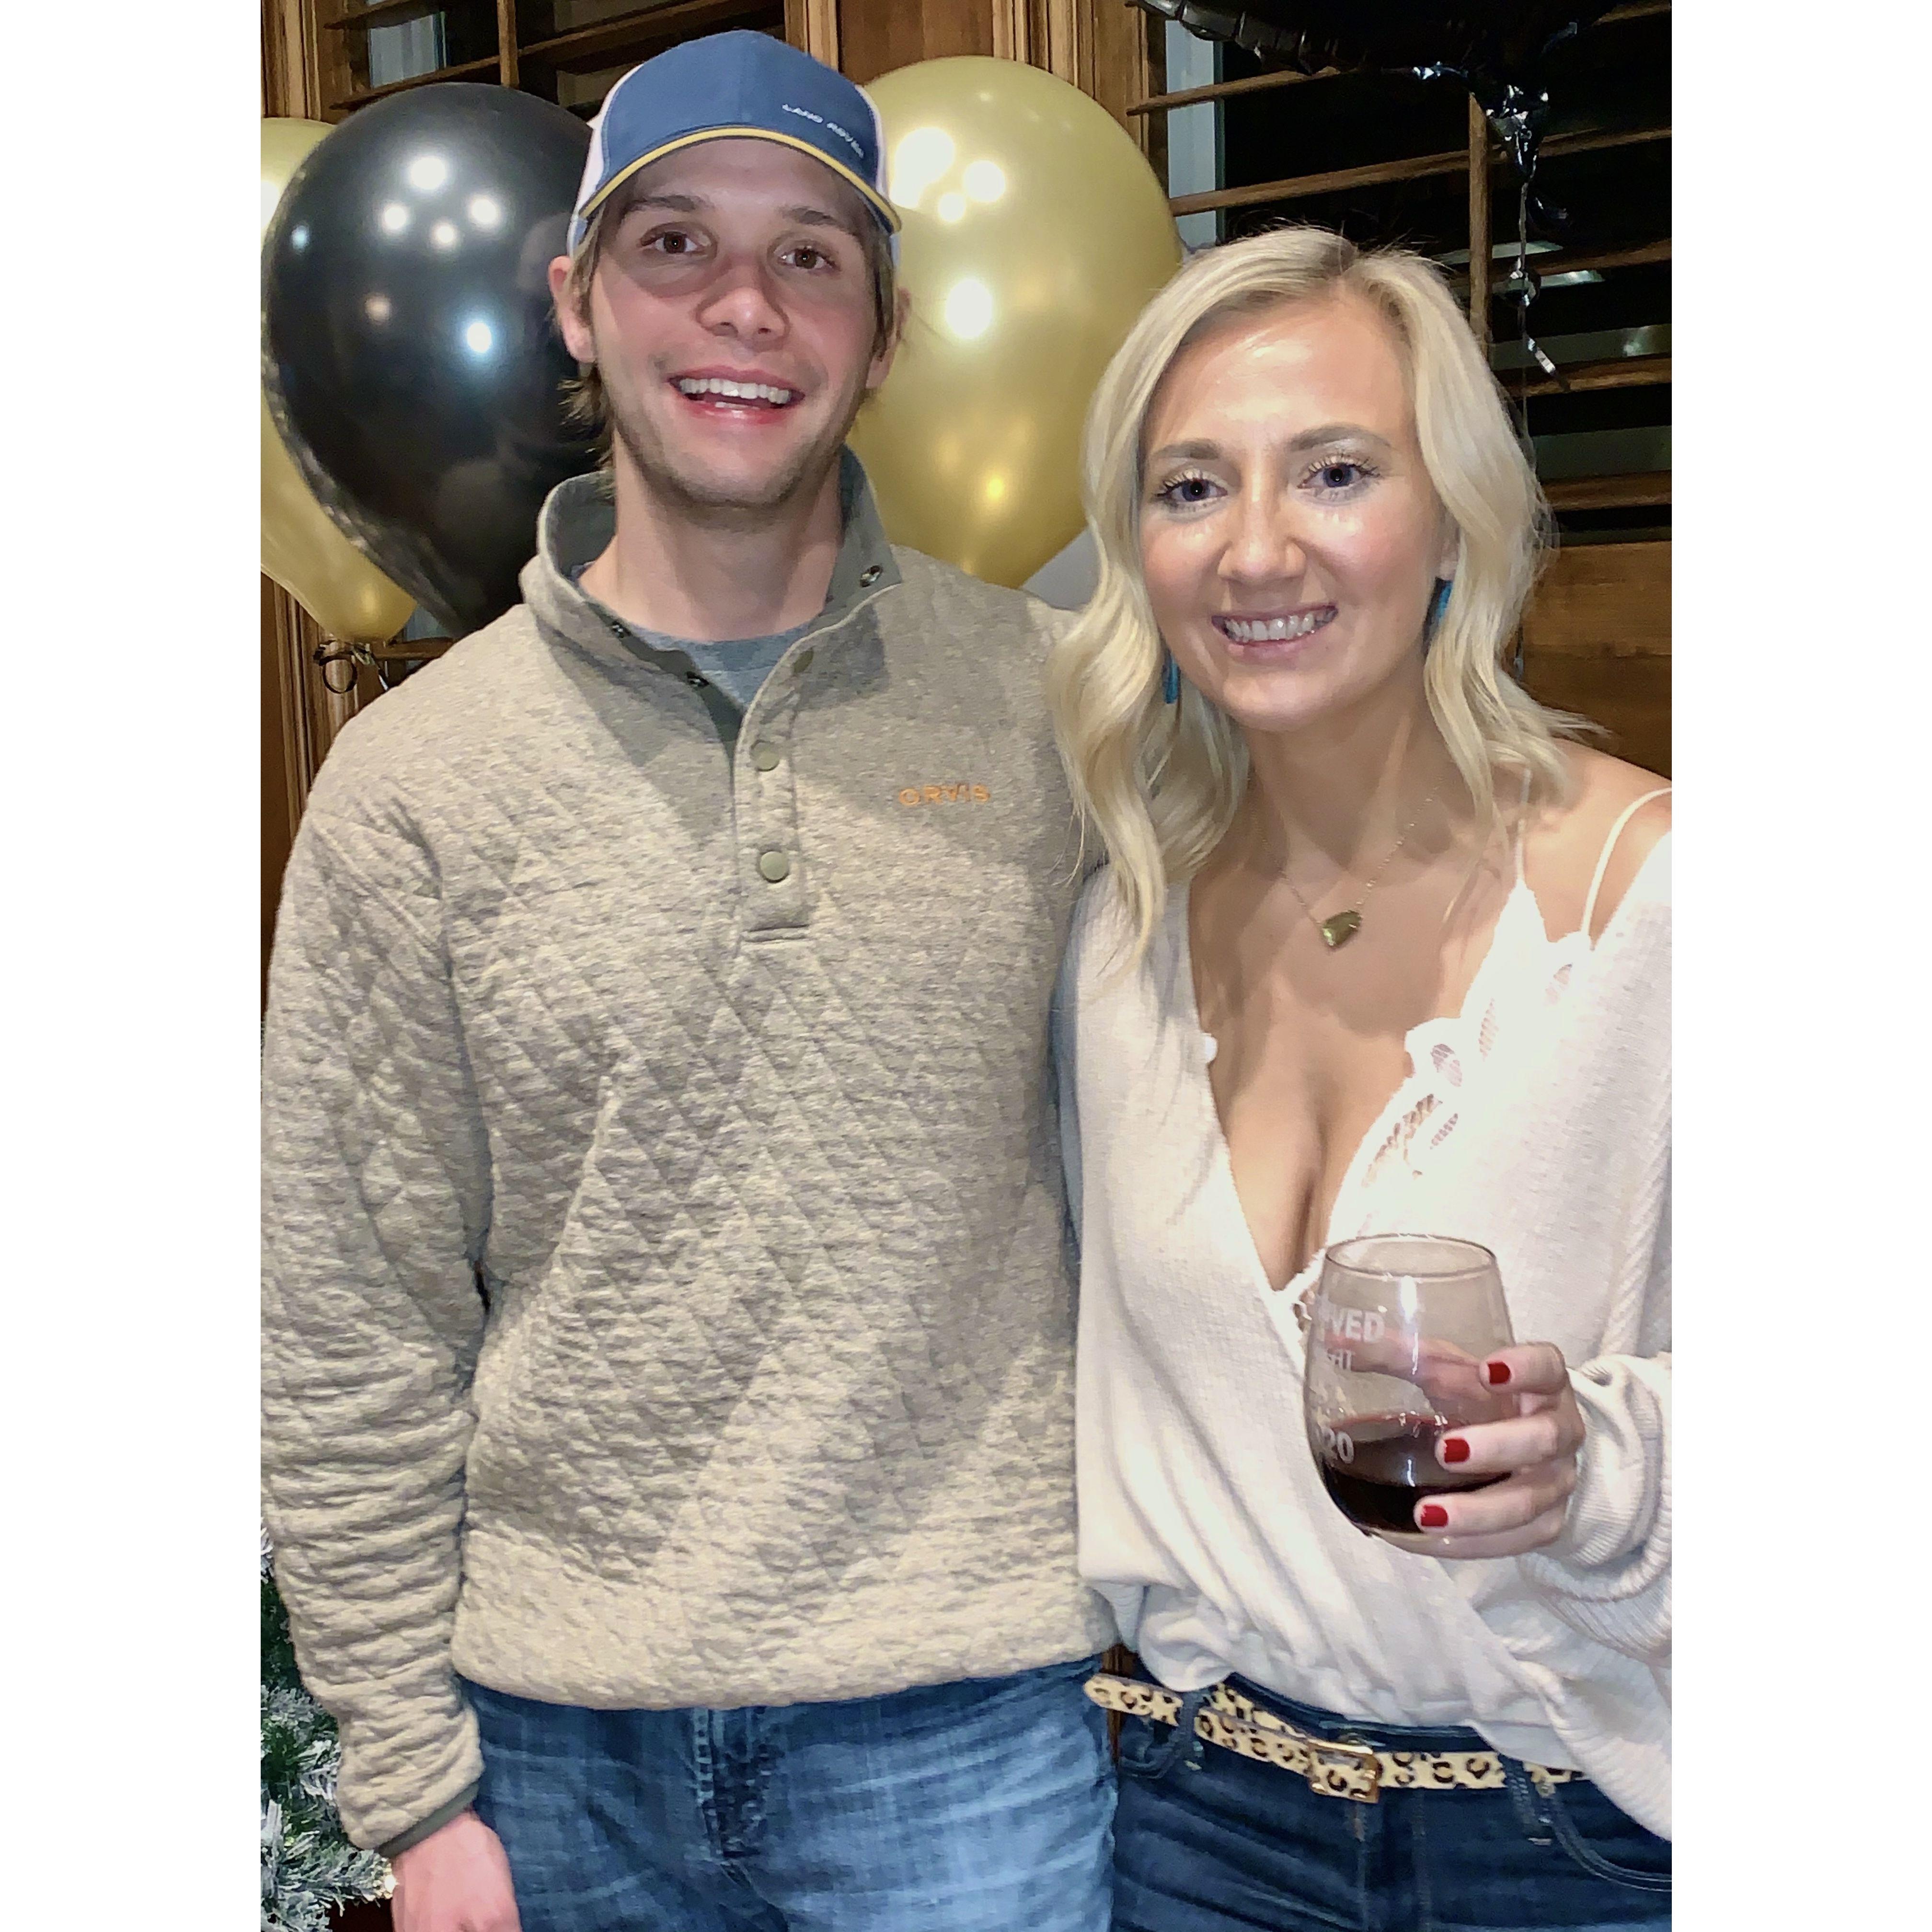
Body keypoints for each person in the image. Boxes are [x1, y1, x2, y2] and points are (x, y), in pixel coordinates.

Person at [261, 32, 1116, 1932]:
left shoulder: (1057, 711)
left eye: (813, 254)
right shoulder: (411, 787)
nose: (747, 305)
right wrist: (414, 1794)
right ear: (578, 305)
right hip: (557, 1763)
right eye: (676, 246)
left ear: (883, 333)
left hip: (972, 1747)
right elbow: (349, 1318)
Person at [1045, 225, 1670, 1929]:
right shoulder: (1117, 939)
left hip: (1582, 1843)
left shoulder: (1654, 906)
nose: (1256, 549)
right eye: (1191, 488)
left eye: (1335, 471)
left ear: (1453, 519)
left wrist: (1600, 1467)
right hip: (1195, 1825)